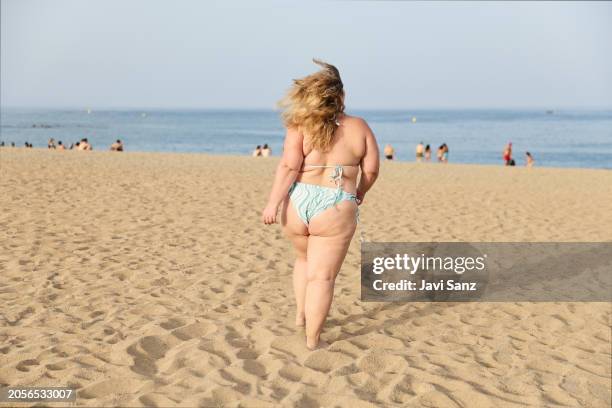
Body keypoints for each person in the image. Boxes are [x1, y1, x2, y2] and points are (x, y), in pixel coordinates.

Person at [262, 59, 380, 350]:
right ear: (339, 96)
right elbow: (373, 170)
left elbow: (288, 167)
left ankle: (301, 317)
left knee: (303, 261)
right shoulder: (359, 127)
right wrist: (360, 192)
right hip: (336, 203)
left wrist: (272, 204)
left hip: (298, 200)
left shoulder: (299, 125)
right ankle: (313, 340)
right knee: (322, 277)